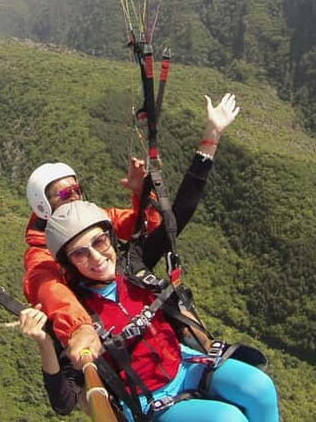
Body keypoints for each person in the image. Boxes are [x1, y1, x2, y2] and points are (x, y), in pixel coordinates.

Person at [23, 93, 239, 367]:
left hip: (145, 324)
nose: (75, 196)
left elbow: (153, 227)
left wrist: (141, 194)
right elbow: (52, 292)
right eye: (65, 193)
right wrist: (81, 328)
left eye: (77, 188)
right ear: (43, 205)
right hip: (114, 338)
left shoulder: (95, 219)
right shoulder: (39, 255)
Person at [32, 200, 280, 422]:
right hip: (150, 402)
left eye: (99, 241)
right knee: (227, 419)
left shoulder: (135, 272)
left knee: (260, 388)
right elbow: (63, 402)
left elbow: (176, 216)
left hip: (188, 363)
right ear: (69, 264)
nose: (96, 257)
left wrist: (146, 190)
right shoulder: (76, 314)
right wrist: (44, 342)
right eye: (80, 253)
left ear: (111, 237)